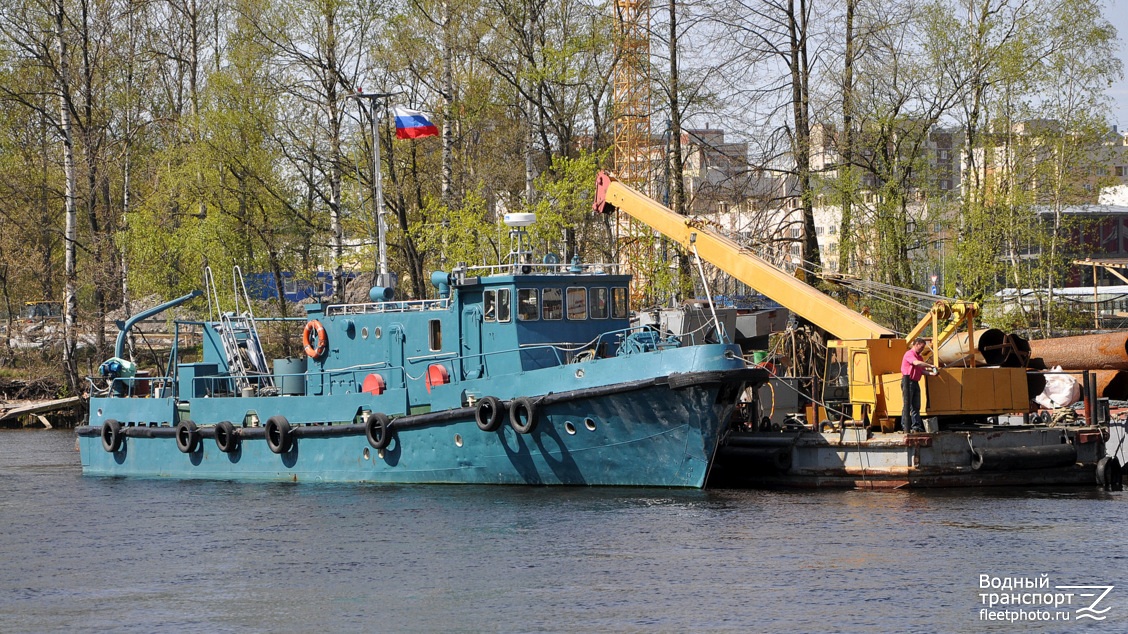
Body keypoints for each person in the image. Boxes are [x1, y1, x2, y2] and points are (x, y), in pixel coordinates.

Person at [901, 337, 936, 433]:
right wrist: (930, 365)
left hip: (915, 382)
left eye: (923, 348)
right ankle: (905, 425)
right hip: (907, 381)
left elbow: (921, 371)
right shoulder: (909, 354)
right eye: (921, 347)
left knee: (916, 405)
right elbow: (916, 363)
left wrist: (932, 373)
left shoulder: (920, 357)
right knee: (907, 404)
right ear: (916, 345)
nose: (922, 349)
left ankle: (916, 426)